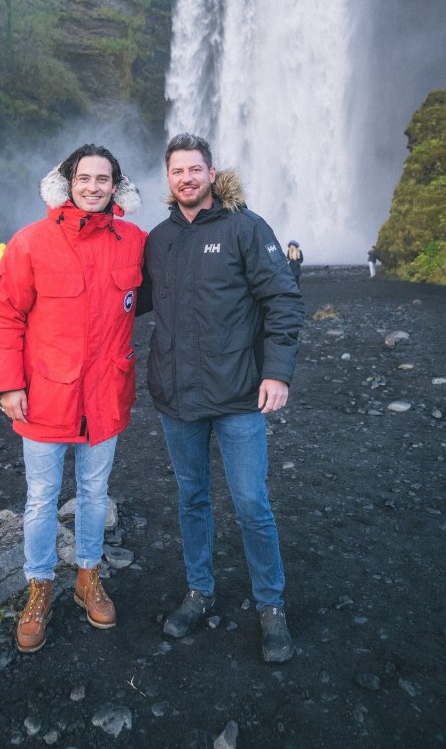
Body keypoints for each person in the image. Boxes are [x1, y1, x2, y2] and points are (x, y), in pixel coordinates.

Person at [137, 133, 305, 664]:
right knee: (192, 499)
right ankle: (199, 590)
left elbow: (283, 299)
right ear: (167, 180)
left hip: (237, 395)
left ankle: (271, 606)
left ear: (212, 174)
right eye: (176, 171)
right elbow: (124, 301)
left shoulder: (246, 228)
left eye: (195, 169)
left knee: (252, 502)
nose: (186, 178)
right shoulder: (158, 240)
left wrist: (277, 373)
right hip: (177, 397)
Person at [0, 144, 146, 654]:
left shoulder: (135, 242)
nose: (93, 187)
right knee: (40, 498)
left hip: (105, 396)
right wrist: (9, 384)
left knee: (96, 494)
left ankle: (87, 576)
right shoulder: (31, 242)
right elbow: (3, 315)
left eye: (103, 179)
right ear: (67, 181)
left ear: (116, 187)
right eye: (84, 178)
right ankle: (39, 586)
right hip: (46, 397)